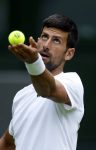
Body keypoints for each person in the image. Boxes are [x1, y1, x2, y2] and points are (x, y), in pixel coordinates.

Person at [0, 13, 84, 150]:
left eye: (56, 40)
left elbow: (48, 90)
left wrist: (33, 61)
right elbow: (8, 143)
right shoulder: (21, 96)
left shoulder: (73, 82)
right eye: (44, 37)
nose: (46, 45)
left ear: (69, 53)